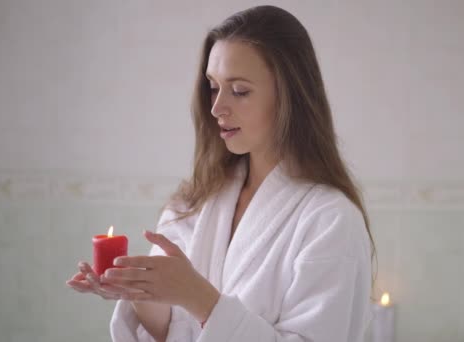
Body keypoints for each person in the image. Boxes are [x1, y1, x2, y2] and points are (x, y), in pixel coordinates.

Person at [66, 5, 376, 341]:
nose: (217, 108)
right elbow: (171, 331)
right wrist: (138, 290)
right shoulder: (195, 202)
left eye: (239, 90)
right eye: (213, 87)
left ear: (290, 96)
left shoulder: (330, 220)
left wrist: (198, 297)